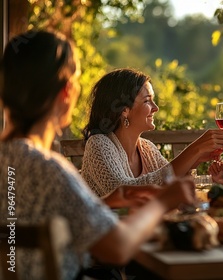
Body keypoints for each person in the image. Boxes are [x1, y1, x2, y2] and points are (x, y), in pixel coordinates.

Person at [0, 30, 195, 279]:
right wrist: (161, 202)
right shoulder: (49, 168)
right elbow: (118, 248)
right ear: (67, 91)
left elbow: (53, 214)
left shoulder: (10, 159)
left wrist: (105, 201)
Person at [80, 68, 223, 198]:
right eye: (147, 101)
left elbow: (170, 183)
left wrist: (198, 162)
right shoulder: (98, 144)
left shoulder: (147, 149)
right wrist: (194, 149)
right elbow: (125, 193)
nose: (156, 108)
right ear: (124, 110)